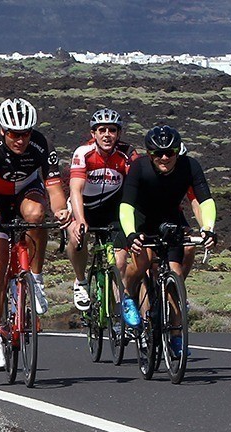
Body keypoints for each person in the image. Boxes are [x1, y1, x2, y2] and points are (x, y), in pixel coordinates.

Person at [0, 97, 70, 369]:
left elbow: (54, 190)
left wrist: (61, 210)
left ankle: (35, 278)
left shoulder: (42, 145)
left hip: (27, 191)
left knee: (37, 215)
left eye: (25, 133)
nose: (20, 140)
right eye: (14, 134)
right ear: (3, 131)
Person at [119, 125, 217, 355]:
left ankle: (175, 335)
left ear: (177, 152)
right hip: (141, 218)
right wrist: (131, 234)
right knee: (142, 262)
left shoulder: (190, 166)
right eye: (157, 153)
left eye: (170, 152)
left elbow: (205, 200)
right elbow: (126, 205)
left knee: (176, 272)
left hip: (170, 218)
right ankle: (127, 294)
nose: (164, 157)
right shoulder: (139, 167)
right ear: (149, 154)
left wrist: (209, 229)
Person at [67, 108, 139, 311]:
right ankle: (80, 281)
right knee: (76, 237)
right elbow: (75, 189)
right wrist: (80, 219)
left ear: (119, 133)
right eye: (102, 130)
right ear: (93, 133)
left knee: (119, 260)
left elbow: (138, 184)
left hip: (111, 210)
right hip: (84, 206)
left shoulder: (127, 154)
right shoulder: (83, 153)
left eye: (112, 130)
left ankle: (116, 307)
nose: (107, 135)